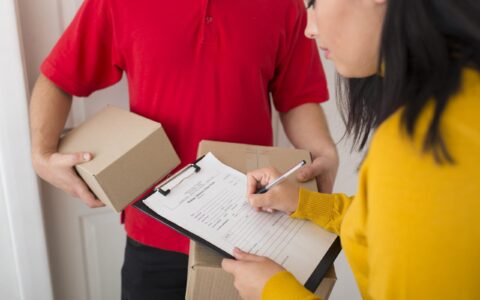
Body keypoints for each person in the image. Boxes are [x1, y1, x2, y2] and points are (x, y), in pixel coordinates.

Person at [29, 0, 339, 299]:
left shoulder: (285, 4)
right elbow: (59, 79)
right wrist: (41, 155)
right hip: (153, 231)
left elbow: (297, 97)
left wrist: (324, 152)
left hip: (249, 232)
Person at [222, 0, 480, 299]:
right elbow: (388, 224)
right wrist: (303, 203)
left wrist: (273, 291)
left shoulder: (423, 146)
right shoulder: (461, 99)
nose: (309, 28)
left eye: (315, 2)